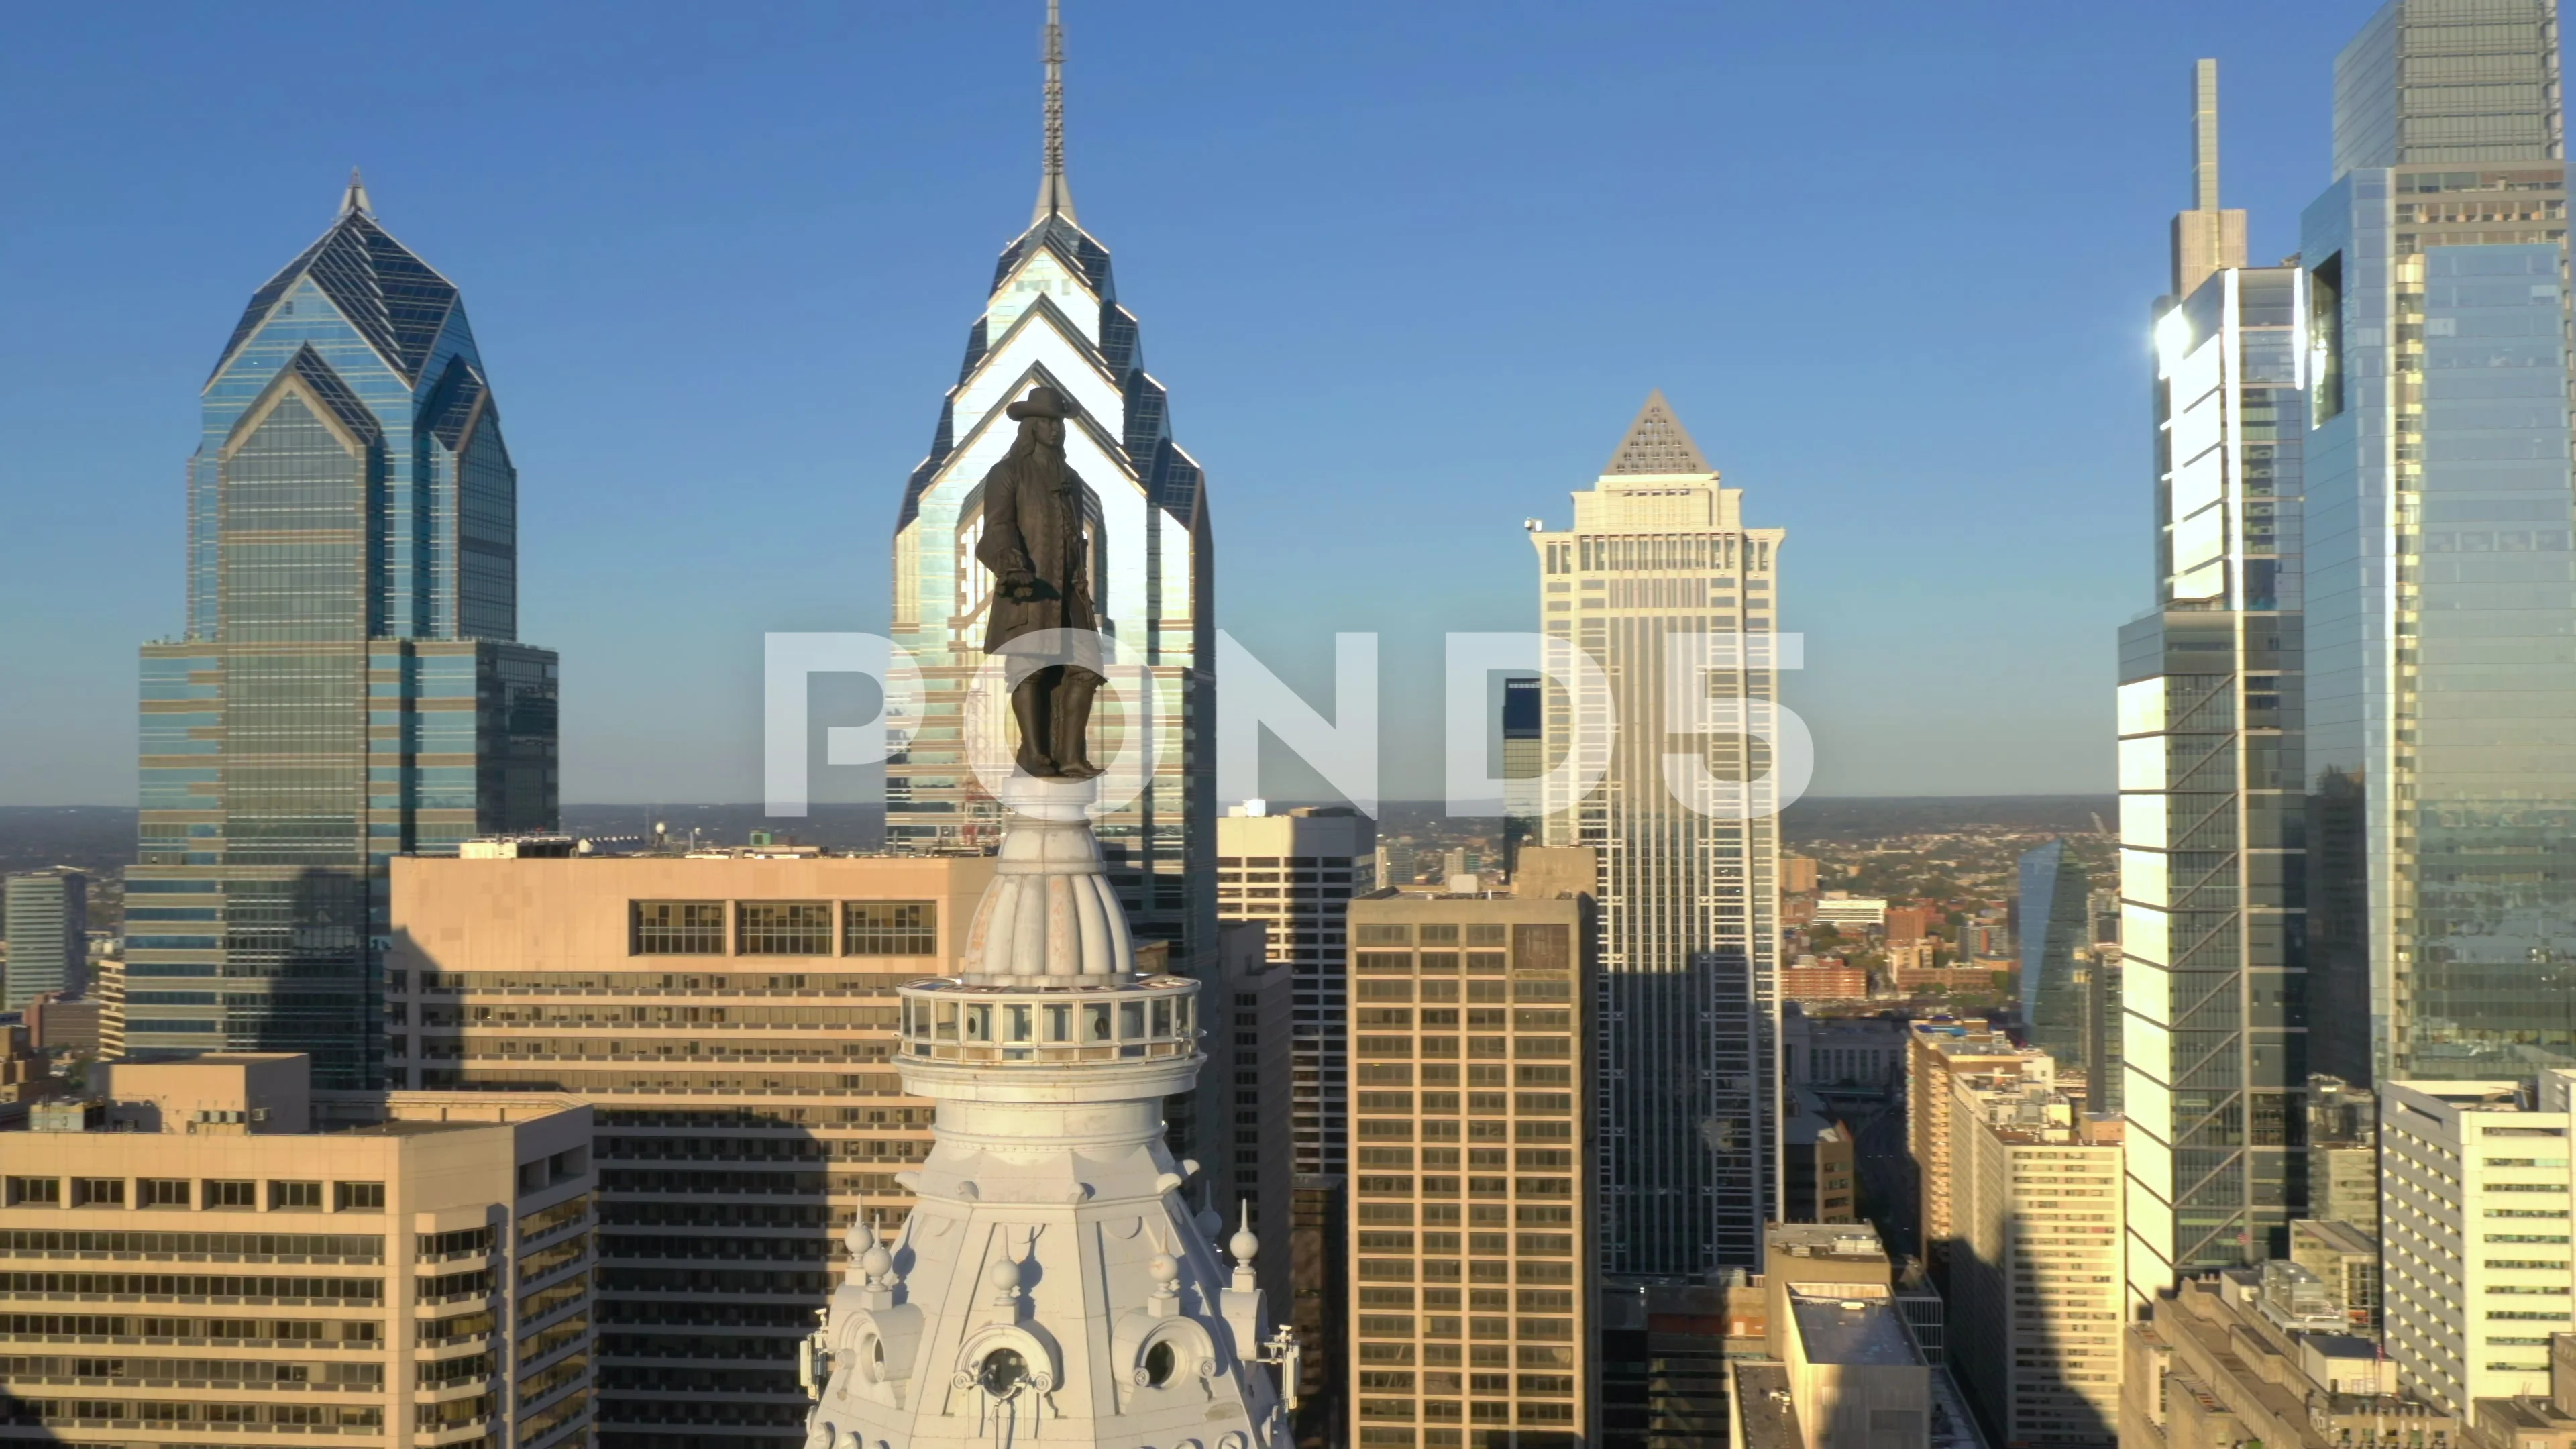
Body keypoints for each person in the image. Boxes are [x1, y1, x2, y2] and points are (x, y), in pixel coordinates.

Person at [975, 384, 1103, 779]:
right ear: (1030, 427)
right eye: (1047, 422)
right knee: (1031, 668)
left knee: (1084, 669)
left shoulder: (1072, 478)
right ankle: (1034, 754)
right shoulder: (1007, 473)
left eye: (1059, 423)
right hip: (1030, 591)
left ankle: (1070, 756)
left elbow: (1077, 535)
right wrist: (1010, 563)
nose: (1055, 430)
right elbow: (996, 527)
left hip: (1071, 592)